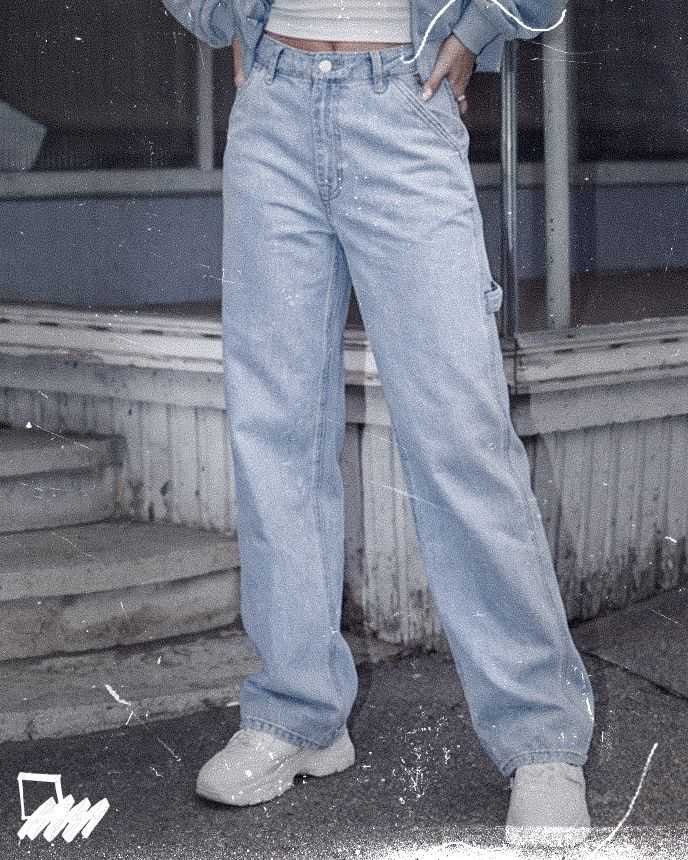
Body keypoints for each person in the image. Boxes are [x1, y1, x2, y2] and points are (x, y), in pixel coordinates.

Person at [161, 0, 595, 848]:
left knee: (460, 434)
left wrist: (473, 33)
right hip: (274, 106)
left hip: (402, 97)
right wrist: (233, 22)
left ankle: (541, 739)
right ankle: (298, 715)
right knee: (275, 429)